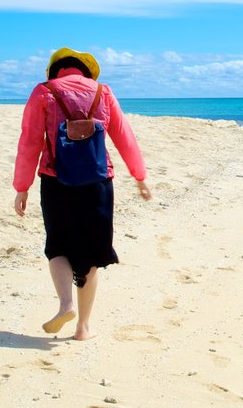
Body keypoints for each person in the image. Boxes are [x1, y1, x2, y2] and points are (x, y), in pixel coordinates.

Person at [13, 47, 152, 341]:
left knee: (58, 246)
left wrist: (21, 187)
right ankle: (83, 328)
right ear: (87, 70)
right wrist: (139, 176)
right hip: (98, 184)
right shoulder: (103, 92)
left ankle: (65, 305)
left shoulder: (44, 91)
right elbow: (124, 135)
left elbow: (30, 141)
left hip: (55, 181)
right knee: (90, 253)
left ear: (55, 69)